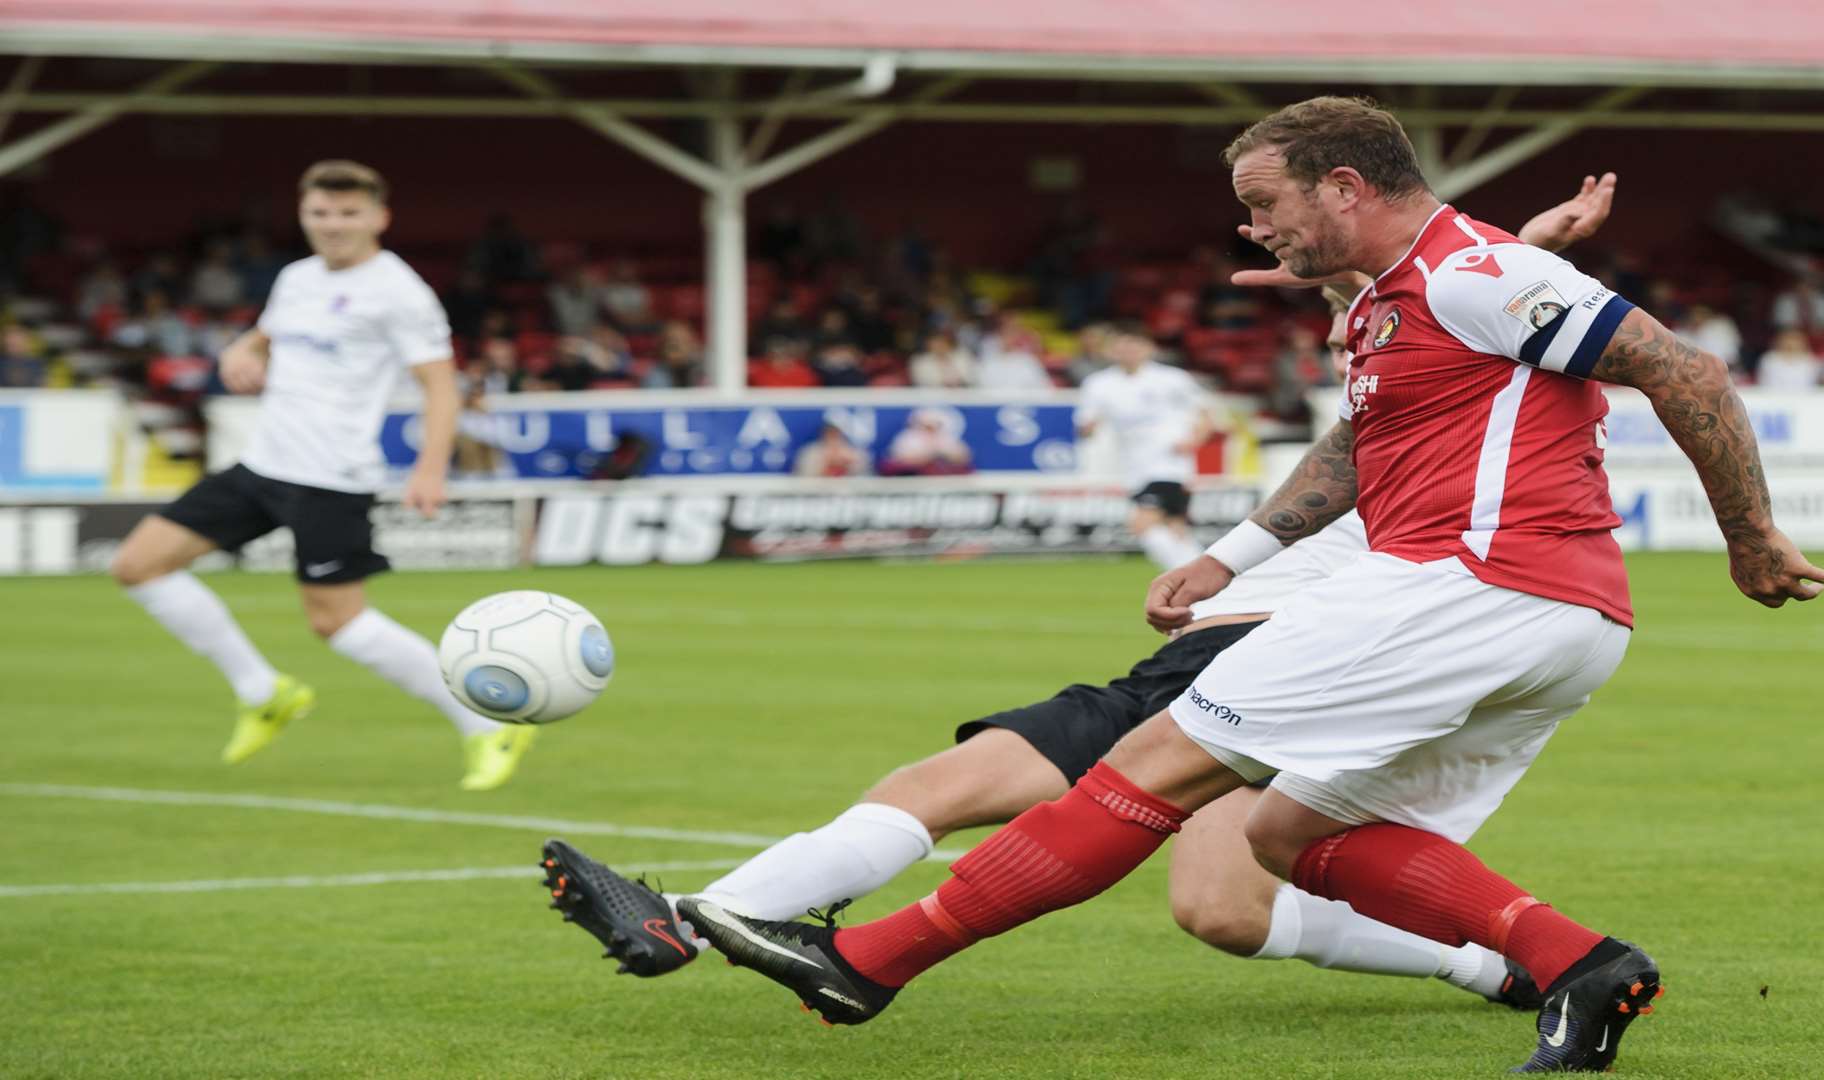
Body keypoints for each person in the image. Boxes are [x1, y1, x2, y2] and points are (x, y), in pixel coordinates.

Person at [667, 99, 1824, 1073]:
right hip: (1563, 619)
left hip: (1467, 586)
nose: (1255, 230)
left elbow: (1681, 368)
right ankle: (1581, 967)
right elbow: (1357, 447)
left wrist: (1751, 537)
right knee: (1292, 832)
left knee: (1150, 769)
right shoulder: (1398, 301)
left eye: (1265, 205)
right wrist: (1234, 558)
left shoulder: (1469, 274)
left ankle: (869, 964)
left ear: (1343, 185)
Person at [540, 168, 1628, 1022]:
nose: (1278, 251)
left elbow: (1467, 287)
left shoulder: (1452, 333)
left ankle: (760, 932)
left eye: (1283, 224)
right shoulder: (1398, 343)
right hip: (1221, 633)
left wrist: (1516, 255)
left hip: (1320, 639)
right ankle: (704, 918)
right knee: (1022, 814)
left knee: (1220, 897)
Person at [107, 160, 538, 791]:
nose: (333, 225)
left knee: (338, 623)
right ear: (304, 214)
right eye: (320, 213)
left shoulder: (399, 292)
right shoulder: (296, 278)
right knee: (137, 565)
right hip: (264, 463)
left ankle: (485, 720)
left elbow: (441, 387)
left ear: (378, 217)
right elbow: (267, 335)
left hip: (331, 475)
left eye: (348, 213)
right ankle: (263, 691)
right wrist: (242, 350)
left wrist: (429, 469)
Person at [1076, 324, 1215, 570]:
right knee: (1175, 527)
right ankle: (1210, 580)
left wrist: (1194, 441)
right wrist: (1088, 429)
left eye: (1134, 346)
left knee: (1142, 525)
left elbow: (1205, 413)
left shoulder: (1171, 378)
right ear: (1111, 350)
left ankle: (1185, 579)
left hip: (1169, 463)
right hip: (1133, 466)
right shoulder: (1099, 384)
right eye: (1122, 347)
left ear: (1148, 348)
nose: (1128, 352)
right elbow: (1086, 424)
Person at [880, 408, 972, 475]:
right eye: (927, 425)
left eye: (934, 425)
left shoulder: (946, 438)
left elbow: (963, 457)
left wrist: (942, 453)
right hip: (913, 478)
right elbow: (897, 461)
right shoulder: (908, 438)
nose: (930, 429)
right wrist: (927, 456)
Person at [792, 422, 873, 478]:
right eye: (830, 435)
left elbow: (867, 476)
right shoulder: (811, 453)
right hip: (816, 496)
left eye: (835, 435)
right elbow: (802, 477)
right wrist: (825, 464)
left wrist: (848, 465)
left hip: (849, 496)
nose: (832, 439)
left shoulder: (853, 452)